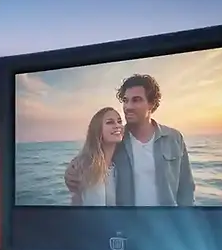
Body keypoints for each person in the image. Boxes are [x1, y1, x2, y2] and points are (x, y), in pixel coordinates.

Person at [64, 74, 195, 206]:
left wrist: (185, 221)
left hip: (166, 223)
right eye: (126, 101)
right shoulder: (115, 140)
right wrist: (72, 169)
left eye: (136, 100)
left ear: (151, 104)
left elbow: (186, 188)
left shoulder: (174, 138)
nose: (128, 107)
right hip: (127, 223)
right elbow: (92, 156)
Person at [66, 108, 125, 206]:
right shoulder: (87, 167)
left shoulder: (117, 168)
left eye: (119, 122)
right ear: (98, 130)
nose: (117, 126)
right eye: (110, 122)